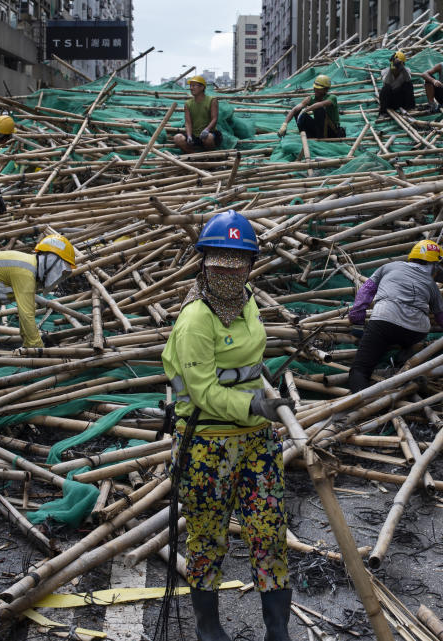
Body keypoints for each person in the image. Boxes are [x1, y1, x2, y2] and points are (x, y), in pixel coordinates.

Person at [162, 210, 295, 641]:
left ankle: (278, 631)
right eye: (218, 259)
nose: (228, 269)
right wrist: (257, 405)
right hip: (206, 444)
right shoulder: (194, 321)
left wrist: (268, 402)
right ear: (203, 262)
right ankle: (209, 627)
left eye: (237, 261)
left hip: (257, 442)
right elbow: (203, 393)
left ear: (251, 265)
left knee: (270, 530)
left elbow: (251, 365)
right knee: (207, 536)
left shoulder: (246, 297)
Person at [346, 239, 443, 392]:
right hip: (415, 331)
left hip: (384, 321)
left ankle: (364, 405)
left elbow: (365, 292)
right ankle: (404, 354)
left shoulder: (389, 267)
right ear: (433, 265)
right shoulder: (432, 286)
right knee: (403, 336)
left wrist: (357, 322)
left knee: (359, 370)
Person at [278, 74, 344, 139]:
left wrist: (306, 110)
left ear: (326, 89)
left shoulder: (332, 98)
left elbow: (320, 104)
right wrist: (284, 124)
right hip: (319, 130)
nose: (316, 90)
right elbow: (295, 109)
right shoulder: (310, 98)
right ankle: (307, 136)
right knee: (298, 112)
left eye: (319, 89)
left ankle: (321, 139)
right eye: (315, 88)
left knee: (319, 109)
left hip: (331, 132)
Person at [173, 76, 222, 153]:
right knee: (177, 138)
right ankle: (194, 155)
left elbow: (214, 119)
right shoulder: (188, 104)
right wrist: (189, 136)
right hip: (194, 135)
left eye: (194, 86)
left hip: (210, 134)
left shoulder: (212, 100)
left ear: (202, 87)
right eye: (190, 86)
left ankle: (211, 156)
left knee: (208, 138)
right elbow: (188, 122)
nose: (191, 88)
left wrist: (207, 130)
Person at [378, 51, 415, 116]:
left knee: (408, 85)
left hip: (401, 99)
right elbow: (386, 82)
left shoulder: (406, 71)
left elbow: (408, 80)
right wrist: (391, 70)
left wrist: (402, 68)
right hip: (390, 100)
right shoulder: (385, 71)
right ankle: (383, 111)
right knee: (386, 88)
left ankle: (409, 107)